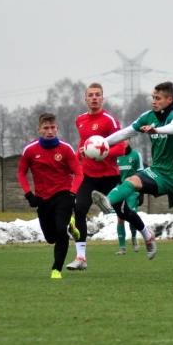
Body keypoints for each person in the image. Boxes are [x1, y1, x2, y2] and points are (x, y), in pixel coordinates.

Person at [92, 81, 173, 280]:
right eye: (153, 97)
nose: (153, 101)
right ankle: (107, 202)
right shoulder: (148, 116)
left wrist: (157, 131)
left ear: (169, 99)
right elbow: (126, 132)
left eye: (158, 98)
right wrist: (102, 142)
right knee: (132, 180)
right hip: (159, 172)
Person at [67, 83, 155, 270]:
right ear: (85, 99)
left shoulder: (110, 121)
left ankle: (147, 234)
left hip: (109, 177)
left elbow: (121, 147)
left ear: (102, 98)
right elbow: (83, 144)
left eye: (97, 95)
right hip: (88, 176)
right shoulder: (80, 120)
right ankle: (81, 258)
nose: (94, 98)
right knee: (80, 210)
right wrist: (76, 162)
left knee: (123, 212)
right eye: (90, 95)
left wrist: (103, 152)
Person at [17, 113, 83, 279]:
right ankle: (71, 226)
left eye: (52, 127)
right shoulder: (30, 150)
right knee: (50, 238)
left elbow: (79, 173)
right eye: (46, 128)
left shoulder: (65, 149)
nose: (50, 131)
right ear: (39, 130)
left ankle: (56, 269)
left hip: (63, 195)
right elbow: (21, 172)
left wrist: (72, 194)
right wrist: (28, 194)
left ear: (57, 128)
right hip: (42, 199)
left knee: (61, 231)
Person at [115, 138, 145, 255]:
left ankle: (133, 237)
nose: (123, 141)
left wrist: (141, 192)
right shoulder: (116, 156)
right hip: (120, 190)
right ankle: (122, 247)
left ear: (130, 141)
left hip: (132, 190)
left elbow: (141, 173)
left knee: (132, 215)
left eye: (126, 139)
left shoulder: (136, 155)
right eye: (121, 140)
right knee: (120, 218)